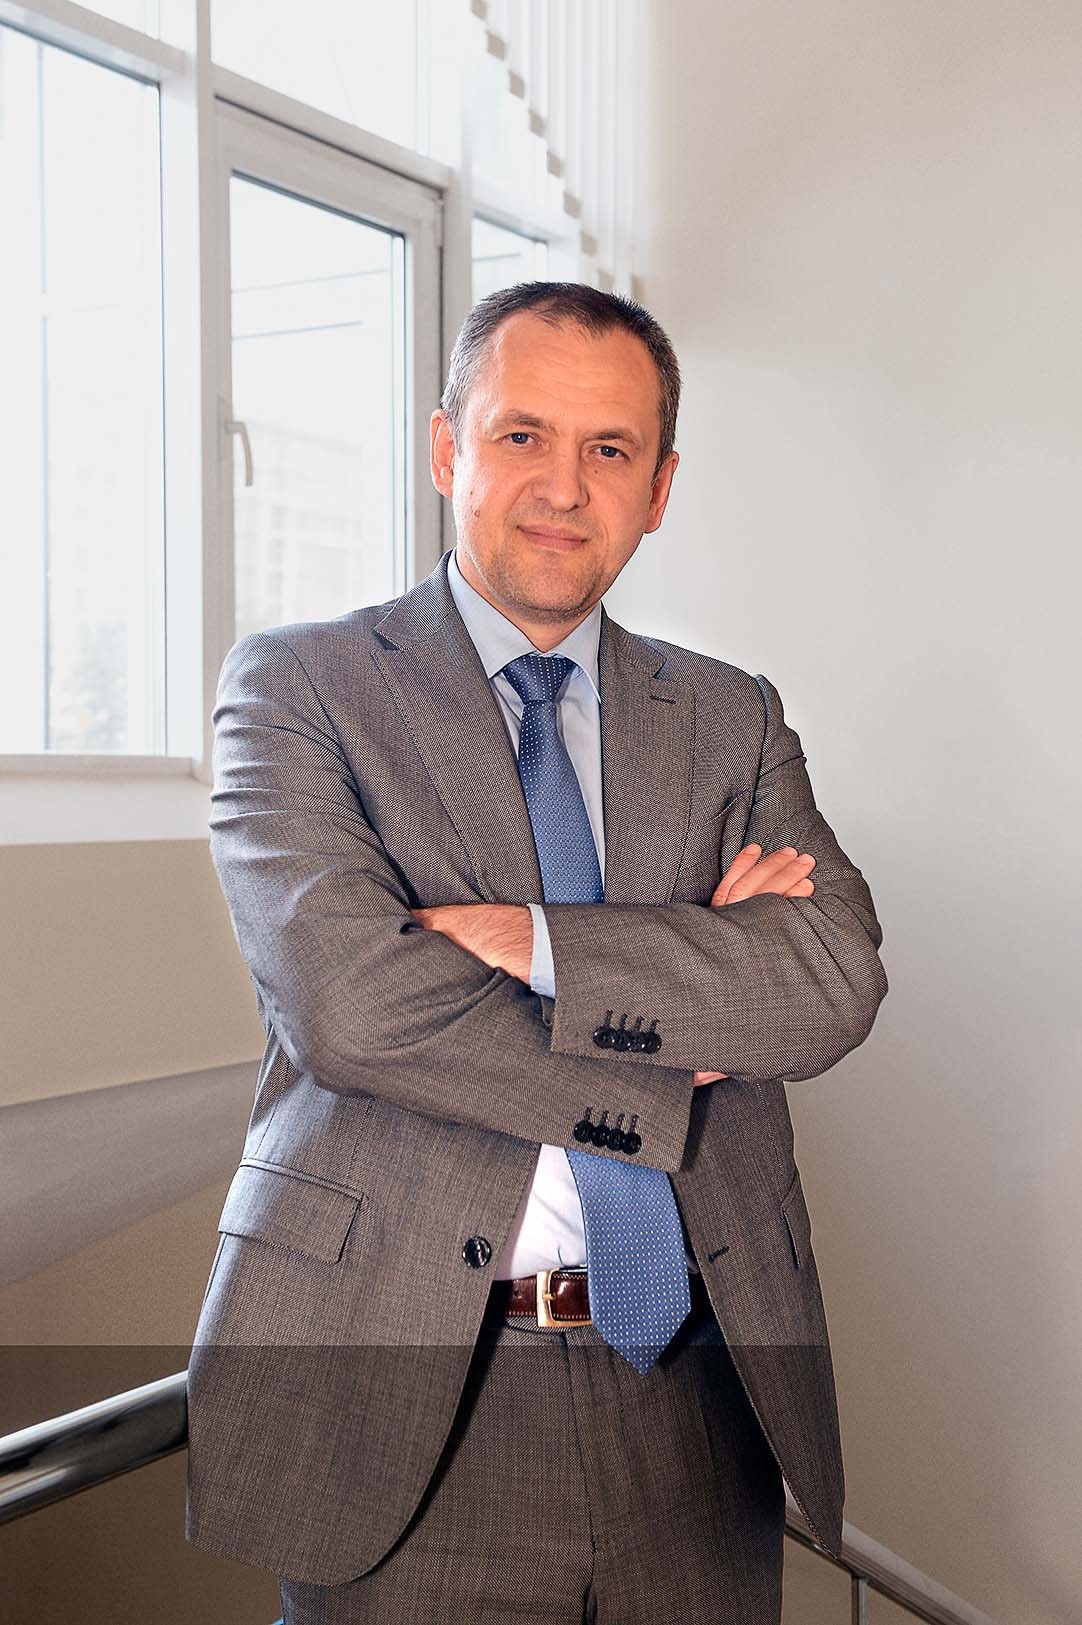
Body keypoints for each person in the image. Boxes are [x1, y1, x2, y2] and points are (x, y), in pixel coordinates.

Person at [185, 281, 887, 1624]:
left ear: (658, 489)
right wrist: (677, 1030)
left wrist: (532, 942)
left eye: (609, 449)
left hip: (701, 1403)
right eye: (522, 436)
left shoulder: (732, 717)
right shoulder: (298, 687)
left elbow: (827, 981)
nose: (564, 486)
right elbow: (351, 1007)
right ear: (447, 448)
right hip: (406, 1402)